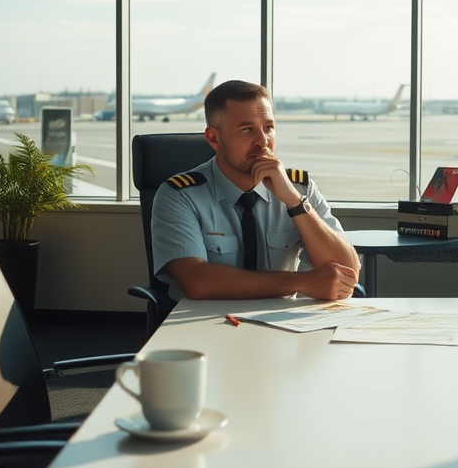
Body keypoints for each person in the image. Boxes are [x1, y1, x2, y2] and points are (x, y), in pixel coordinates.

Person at [151, 79, 360, 301]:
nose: (263, 141)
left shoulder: (299, 188)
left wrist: (295, 203)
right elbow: (197, 282)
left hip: (282, 326)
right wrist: (301, 282)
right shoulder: (180, 195)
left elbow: (347, 273)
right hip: (205, 324)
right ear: (214, 138)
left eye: (269, 128)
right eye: (247, 129)